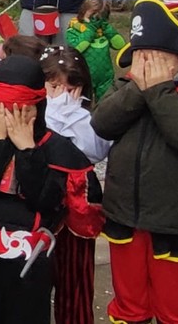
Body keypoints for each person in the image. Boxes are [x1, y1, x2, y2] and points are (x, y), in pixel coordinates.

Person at [91, 0, 178, 324]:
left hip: (174, 222)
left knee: (174, 308)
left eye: (153, 58)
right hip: (125, 214)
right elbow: (102, 123)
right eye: (139, 57)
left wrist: (159, 91)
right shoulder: (129, 85)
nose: (143, 65)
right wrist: (139, 88)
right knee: (129, 305)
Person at [0, 56, 93, 324]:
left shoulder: (55, 148)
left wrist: (27, 150)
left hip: (27, 263)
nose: (10, 115)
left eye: (19, 108)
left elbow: (46, 201)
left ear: (38, 106)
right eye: (1, 107)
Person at [40, 45, 109, 324]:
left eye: (70, 89)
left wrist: (73, 117)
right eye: (54, 86)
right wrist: (53, 114)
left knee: (76, 280)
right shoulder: (30, 111)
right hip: (39, 199)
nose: (62, 95)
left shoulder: (90, 118)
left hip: (79, 204)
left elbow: (95, 151)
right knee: (35, 277)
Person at [65, 0, 127, 100]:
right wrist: (90, 31)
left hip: (105, 75)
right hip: (83, 75)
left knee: (105, 101)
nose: (96, 20)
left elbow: (119, 45)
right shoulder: (74, 28)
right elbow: (77, 49)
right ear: (84, 12)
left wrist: (107, 29)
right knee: (82, 102)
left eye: (100, 17)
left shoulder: (103, 30)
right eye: (92, 16)